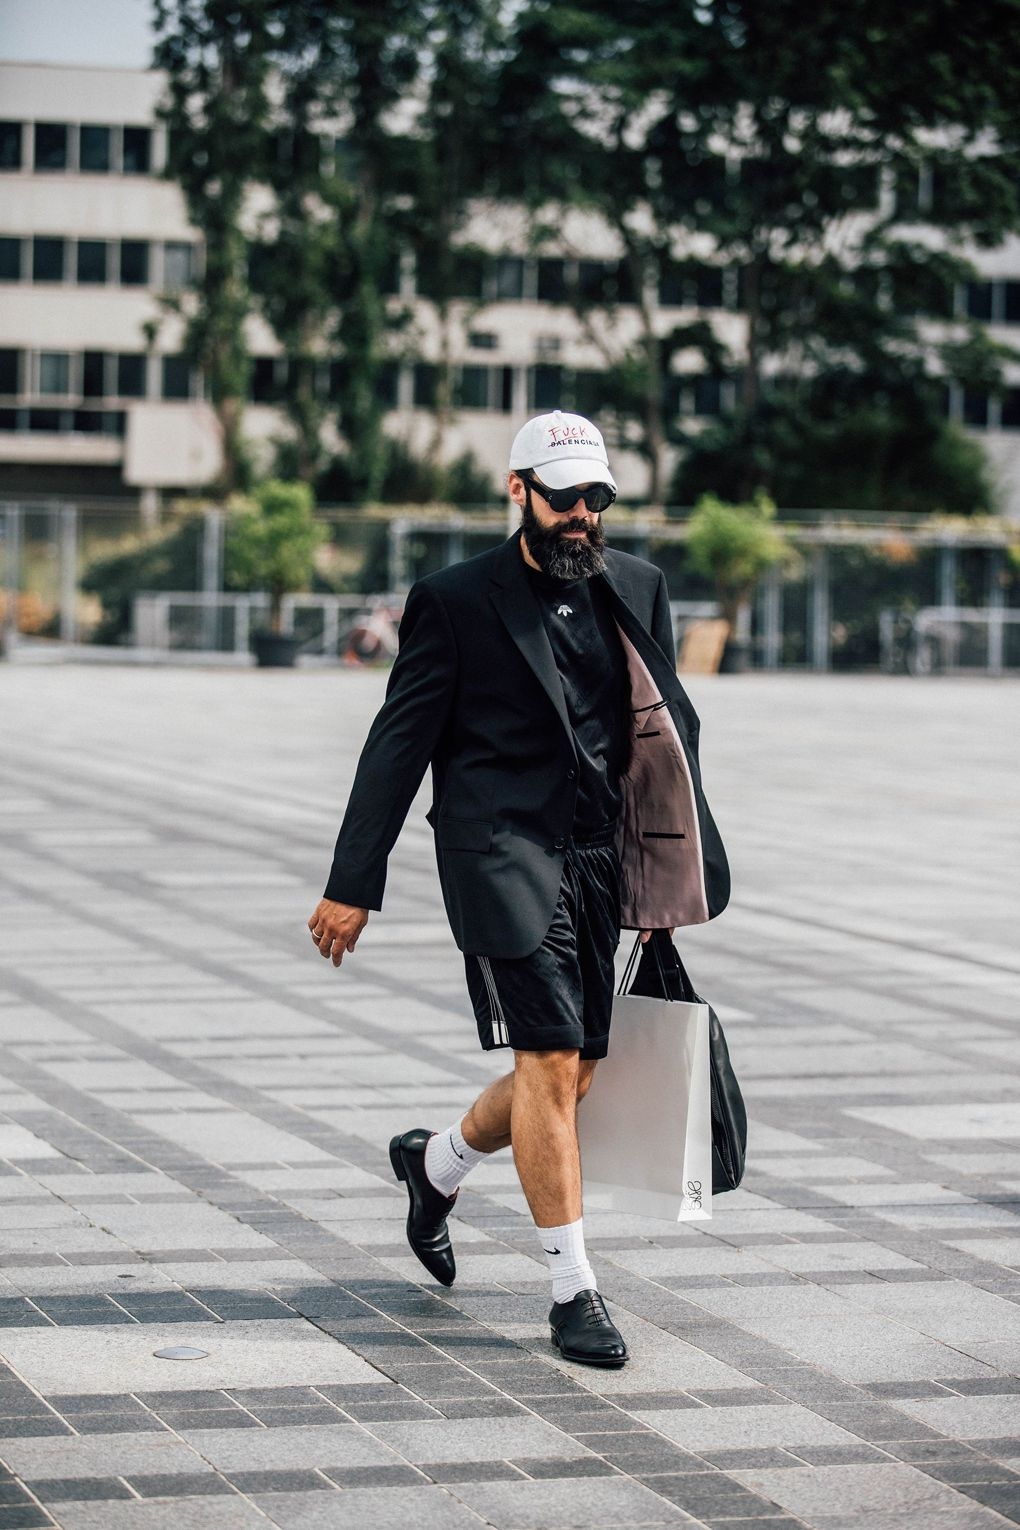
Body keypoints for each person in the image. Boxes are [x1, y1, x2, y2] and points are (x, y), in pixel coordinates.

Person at [308, 410, 729, 1367]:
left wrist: (670, 871)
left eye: (598, 498)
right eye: (564, 497)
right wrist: (351, 882)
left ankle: (436, 1162)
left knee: (577, 1073)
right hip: (498, 852)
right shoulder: (456, 601)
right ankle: (572, 1289)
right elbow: (397, 747)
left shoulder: (638, 588)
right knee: (548, 1061)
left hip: (598, 856)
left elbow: (660, 740)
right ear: (519, 492)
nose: (582, 515)